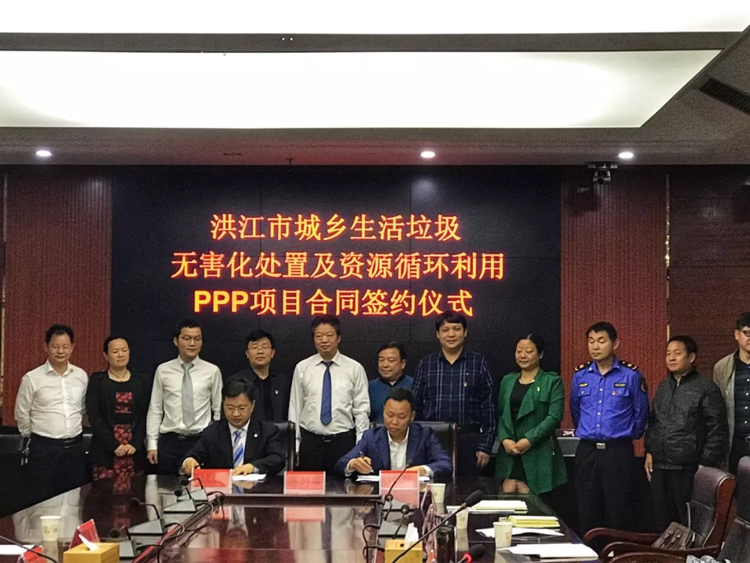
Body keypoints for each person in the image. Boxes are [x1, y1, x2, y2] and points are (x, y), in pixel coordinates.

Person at [570, 321, 649, 535]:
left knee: (619, 510)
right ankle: (591, 551)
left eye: (601, 341)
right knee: (587, 509)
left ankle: (617, 552)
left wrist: (628, 435)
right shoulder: (580, 376)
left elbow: (641, 412)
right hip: (587, 451)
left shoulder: (631, 375)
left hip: (618, 451)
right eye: (591, 341)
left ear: (615, 344)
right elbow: (575, 411)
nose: (595, 346)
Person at [645, 335, 728, 530]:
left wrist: (706, 462)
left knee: (689, 523)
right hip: (660, 465)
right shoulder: (664, 387)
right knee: (661, 523)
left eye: (677, 353)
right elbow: (653, 421)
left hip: (689, 468)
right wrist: (649, 451)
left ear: (691, 357)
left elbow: (717, 428)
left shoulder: (706, 388)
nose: (671, 358)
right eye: (668, 354)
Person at [412, 311, 496, 476]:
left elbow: (489, 408)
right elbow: (416, 407)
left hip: (469, 440)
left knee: (468, 487)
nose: (451, 334)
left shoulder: (478, 363)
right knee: (434, 487)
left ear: (465, 332)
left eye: (456, 329)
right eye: (445, 330)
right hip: (433, 439)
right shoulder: (426, 365)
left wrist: (485, 446)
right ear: (438, 334)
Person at [14, 324, 88, 502]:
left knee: (73, 502)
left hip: (75, 449)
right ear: (46, 347)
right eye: (55, 346)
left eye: (65, 346)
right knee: (43, 501)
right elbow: (22, 413)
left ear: (72, 347)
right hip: (44, 450)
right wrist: (35, 437)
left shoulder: (81, 376)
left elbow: (83, 408)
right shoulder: (32, 378)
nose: (60, 351)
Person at [289, 314, 370, 472]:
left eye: (329, 335)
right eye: (319, 336)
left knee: (344, 486)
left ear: (338, 338)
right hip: (311, 443)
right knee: (309, 487)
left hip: (343, 442)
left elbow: (362, 411)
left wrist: (360, 447)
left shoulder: (354, 368)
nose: (324, 340)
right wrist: (295, 445)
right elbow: (295, 408)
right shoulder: (302, 368)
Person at [146, 319, 223, 474]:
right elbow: (155, 409)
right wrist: (152, 444)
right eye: (187, 338)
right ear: (176, 341)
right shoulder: (163, 370)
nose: (192, 343)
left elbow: (218, 410)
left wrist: (213, 440)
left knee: (199, 487)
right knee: (166, 486)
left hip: (200, 441)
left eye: (197, 339)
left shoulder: (212, 371)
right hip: (169, 441)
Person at [495, 334, 566, 496]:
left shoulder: (551, 381)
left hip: (538, 452)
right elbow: (500, 415)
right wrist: (504, 439)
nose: (522, 355)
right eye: (519, 351)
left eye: (528, 351)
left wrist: (529, 440)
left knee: (533, 502)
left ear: (540, 354)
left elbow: (554, 417)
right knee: (507, 499)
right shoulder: (507, 381)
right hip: (509, 451)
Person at [335, 387, 453, 482]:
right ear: (384, 411)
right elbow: (341, 464)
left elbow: (446, 464)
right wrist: (353, 464)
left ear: (412, 416)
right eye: (390, 415)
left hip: (415, 497)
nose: (394, 422)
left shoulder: (424, 435)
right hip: (380, 498)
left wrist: (422, 470)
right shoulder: (371, 437)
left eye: (401, 417)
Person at [181, 378, 286, 476]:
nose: (236, 414)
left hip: (257, 488)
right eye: (230, 408)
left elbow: (278, 459)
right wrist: (189, 461)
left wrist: (252, 467)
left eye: (242, 408)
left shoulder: (267, 431)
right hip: (221, 488)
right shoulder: (212, 432)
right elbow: (193, 455)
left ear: (252, 406)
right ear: (223, 405)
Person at [86, 335, 152, 486]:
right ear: (106, 355)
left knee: (135, 492)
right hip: (105, 448)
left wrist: (135, 443)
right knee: (104, 493)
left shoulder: (140, 381)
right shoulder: (97, 380)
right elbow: (94, 417)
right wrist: (114, 445)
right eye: (115, 351)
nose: (120, 355)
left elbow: (145, 415)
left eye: (124, 350)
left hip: (134, 449)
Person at [227, 329, 290, 423]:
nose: (260, 351)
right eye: (255, 347)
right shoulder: (236, 382)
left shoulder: (282, 382)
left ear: (272, 353)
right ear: (247, 354)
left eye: (264, 347)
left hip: (278, 431)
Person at [714, 312, 750, 474]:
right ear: (737, 334)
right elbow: (717, 410)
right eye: (747, 333)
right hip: (735, 442)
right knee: (737, 487)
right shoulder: (722, 367)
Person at [368, 342, 413, 423]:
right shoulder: (369, 387)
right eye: (381, 360)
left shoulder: (414, 385)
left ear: (403, 364)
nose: (385, 365)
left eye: (391, 360)